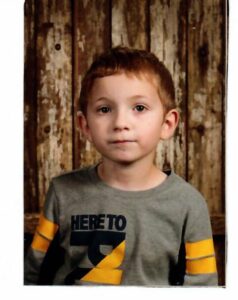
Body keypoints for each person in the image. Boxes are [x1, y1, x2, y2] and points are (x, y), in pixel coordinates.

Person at [24, 46, 218, 286]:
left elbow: (202, 288)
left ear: (167, 123)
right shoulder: (62, 192)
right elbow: (31, 276)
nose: (121, 123)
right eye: (105, 109)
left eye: (139, 108)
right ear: (85, 125)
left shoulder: (189, 204)